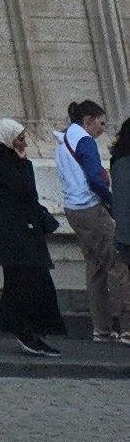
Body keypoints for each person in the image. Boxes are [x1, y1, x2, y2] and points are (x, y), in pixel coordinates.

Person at [0, 118, 65, 354]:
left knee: (26, 283)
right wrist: (25, 165)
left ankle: (26, 330)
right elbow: (26, 191)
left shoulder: (6, 162)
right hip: (17, 234)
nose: (24, 145)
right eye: (21, 139)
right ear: (9, 139)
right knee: (25, 283)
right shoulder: (0, 163)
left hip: (24, 232)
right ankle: (24, 330)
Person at [52, 101, 128, 344]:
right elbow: (95, 177)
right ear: (88, 120)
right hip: (91, 209)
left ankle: (101, 327)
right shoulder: (84, 140)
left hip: (73, 209)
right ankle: (126, 326)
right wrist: (112, 202)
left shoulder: (63, 140)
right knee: (117, 266)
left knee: (95, 267)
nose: (102, 129)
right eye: (101, 123)